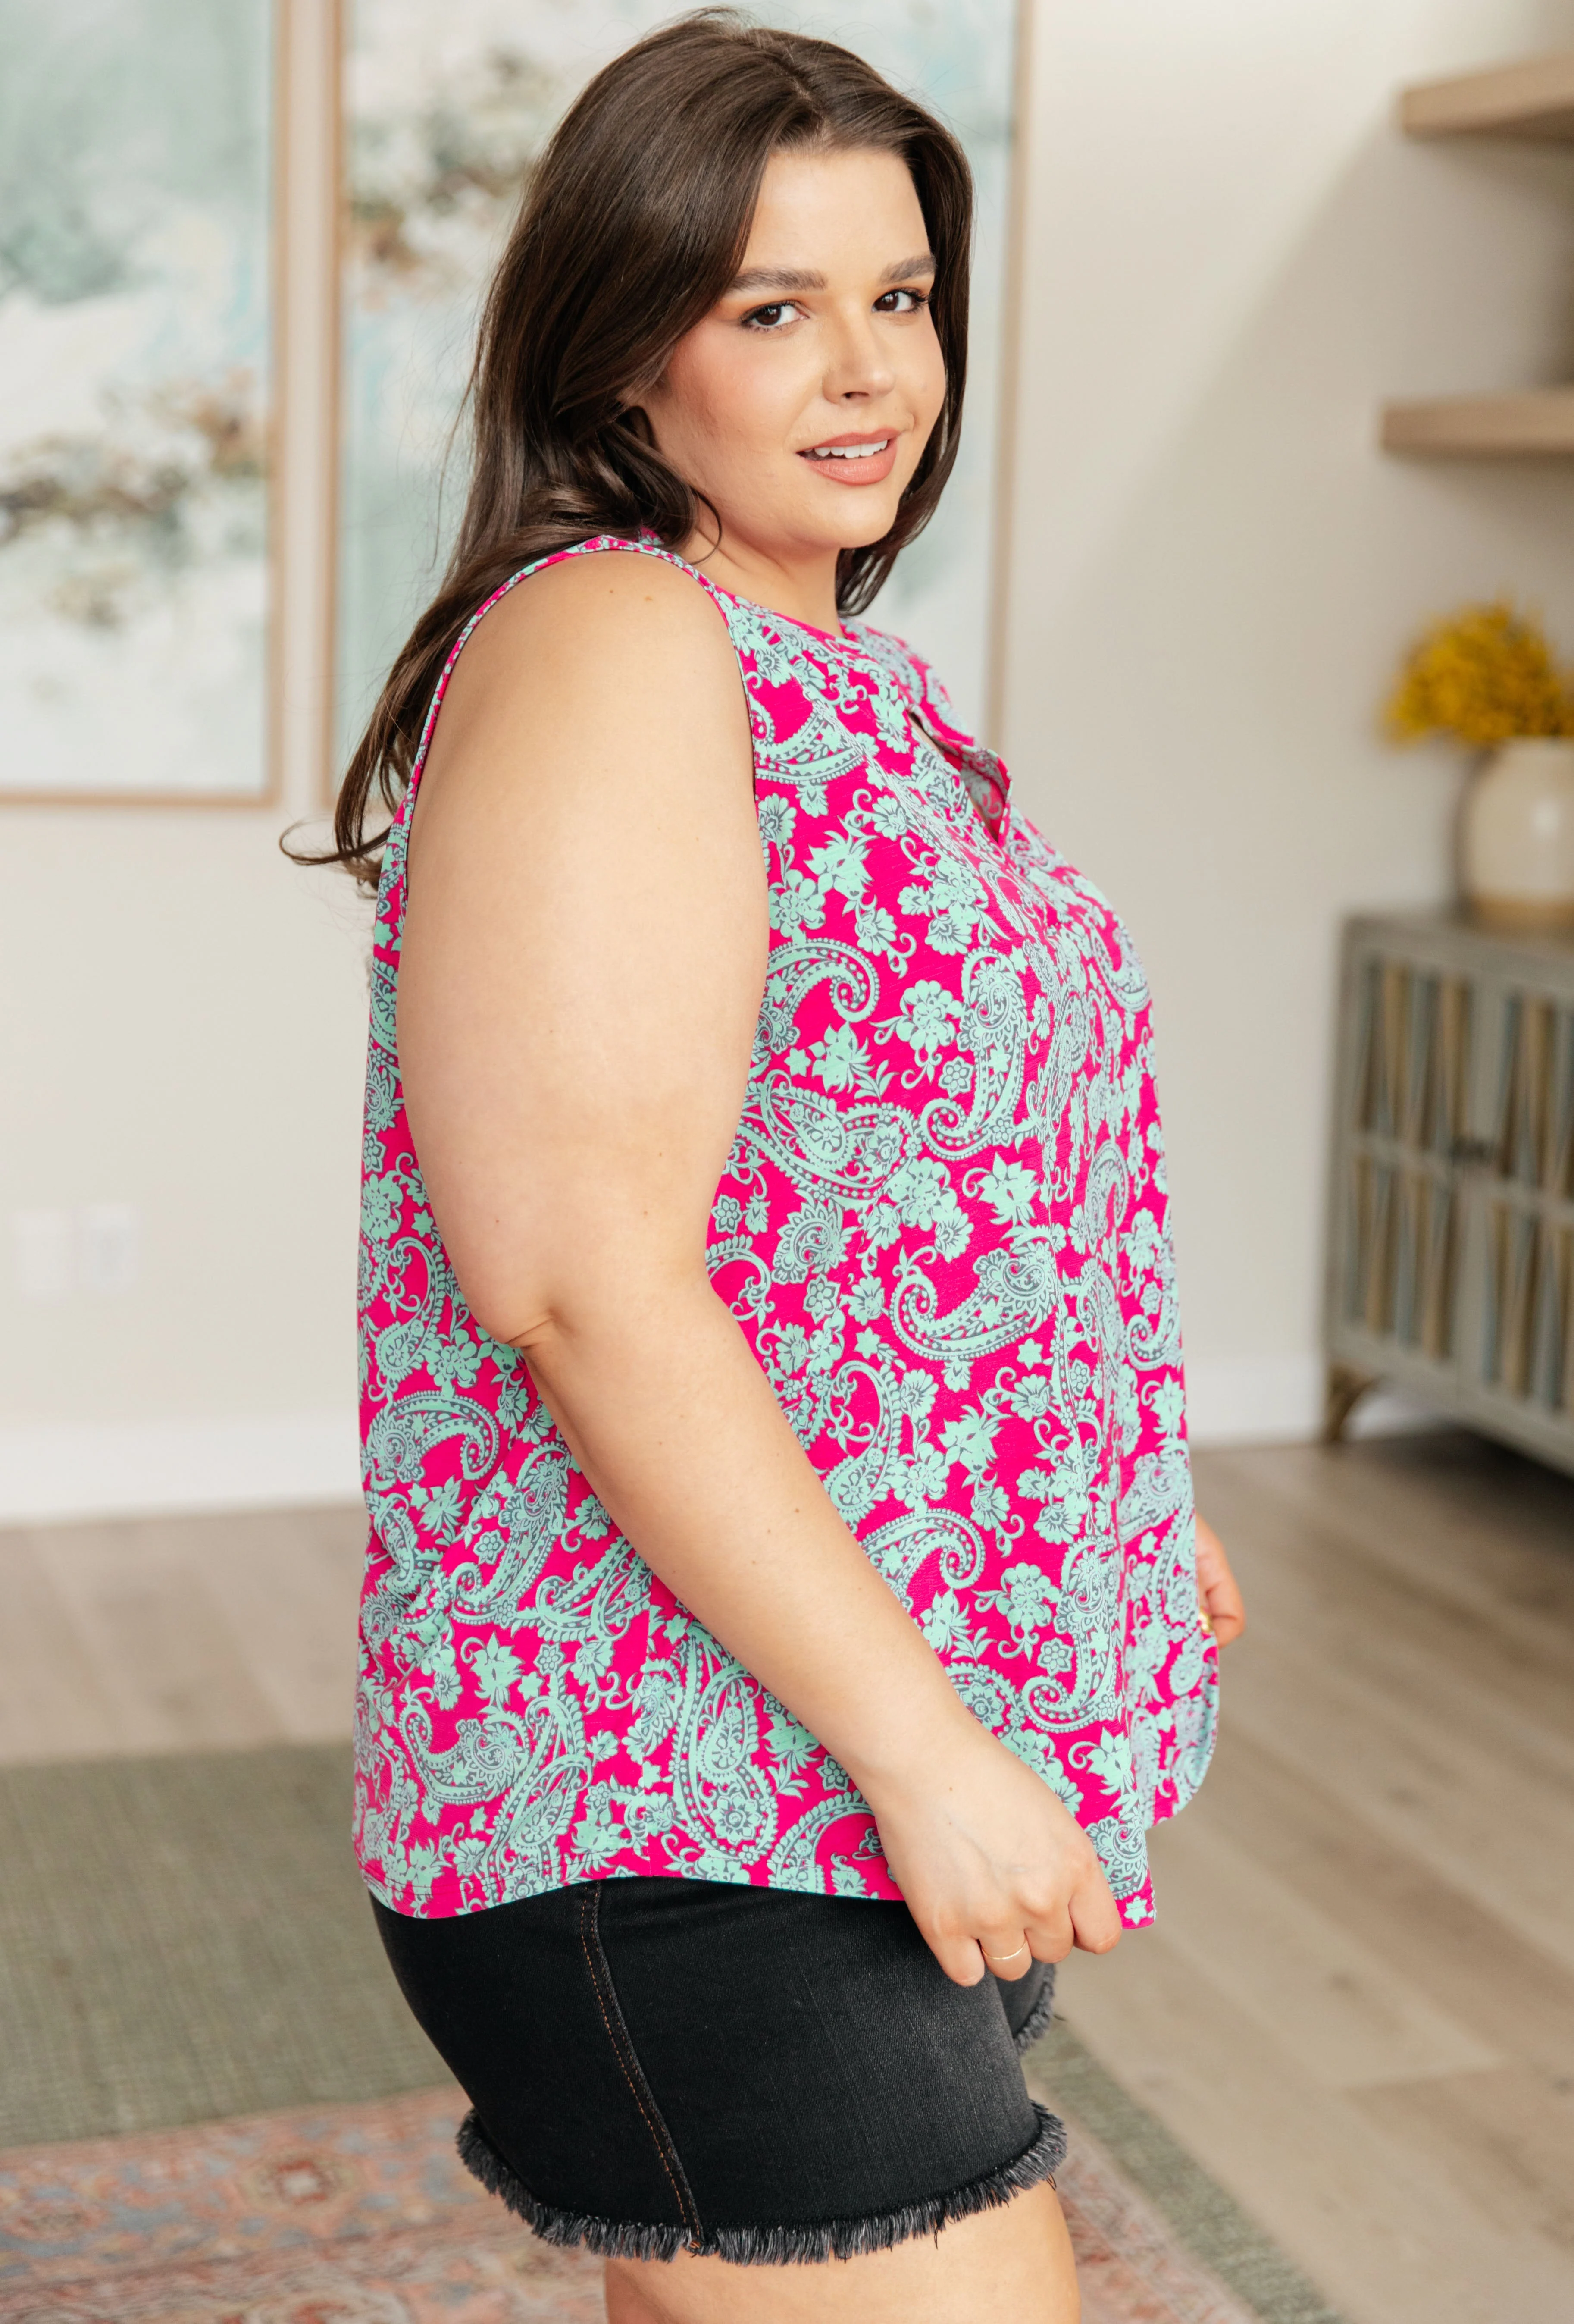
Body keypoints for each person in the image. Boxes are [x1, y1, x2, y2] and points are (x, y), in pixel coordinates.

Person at [320, 14, 1244, 2319]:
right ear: (625, 350)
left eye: (903, 297)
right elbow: (576, 1279)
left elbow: (903, 1183)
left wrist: (1116, 1487)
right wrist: (933, 1756)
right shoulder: (621, 643)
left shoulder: (855, 678)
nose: (870, 370)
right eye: (772, 306)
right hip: (685, 1806)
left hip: (823, 1758)